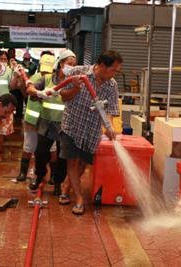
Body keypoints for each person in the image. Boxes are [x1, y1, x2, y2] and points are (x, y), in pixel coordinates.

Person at [59, 50, 123, 215]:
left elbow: (111, 109)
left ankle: (66, 186)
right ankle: (79, 198)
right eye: (112, 69)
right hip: (72, 125)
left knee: (82, 164)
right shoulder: (78, 72)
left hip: (92, 130)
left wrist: (109, 127)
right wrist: (75, 88)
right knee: (72, 162)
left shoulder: (112, 85)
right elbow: (63, 96)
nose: (114, 73)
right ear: (102, 65)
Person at [27, 49, 77, 195]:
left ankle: (57, 182)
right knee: (41, 153)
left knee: (62, 157)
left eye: (74, 64)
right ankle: (40, 176)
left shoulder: (74, 81)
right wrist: (38, 93)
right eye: (69, 63)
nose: (72, 67)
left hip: (65, 125)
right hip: (46, 123)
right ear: (61, 63)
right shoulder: (47, 79)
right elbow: (30, 88)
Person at [15, 54, 55, 182]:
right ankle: (23, 172)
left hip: (49, 120)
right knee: (29, 146)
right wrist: (22, 81)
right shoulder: (34, 78)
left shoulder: (56, 80)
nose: (45, 72)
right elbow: (27, 93)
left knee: (52, 149)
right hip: (32, 119)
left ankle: (53, 176)